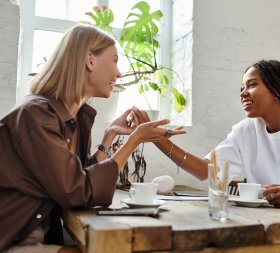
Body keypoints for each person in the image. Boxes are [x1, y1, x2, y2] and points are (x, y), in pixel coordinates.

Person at [0, 24, 185, 253]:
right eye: (115, 61)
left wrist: (109, 137)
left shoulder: (72, 117)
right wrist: (134, 140)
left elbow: (74, 176)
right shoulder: (37, 115)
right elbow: (78, 191)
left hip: (37, 236)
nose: (118, 73)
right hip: (11, 240)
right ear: (90, 60)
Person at [144, 59, 280, 212]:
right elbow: (206, 171)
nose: (242, 93)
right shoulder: (245, 130)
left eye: (251, 85)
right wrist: (159, 140)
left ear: (277, 89)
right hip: (277, 223)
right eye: (241, 87)